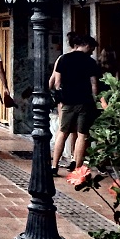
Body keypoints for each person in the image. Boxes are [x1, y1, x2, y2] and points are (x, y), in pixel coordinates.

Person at [48, 32, 100, 176]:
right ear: (87, 46)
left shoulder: (63, 59)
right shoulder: (90, 62)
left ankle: (54, 166)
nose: (92, 52)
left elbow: (57, 83)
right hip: (84, 101)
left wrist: (61, 98)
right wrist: (96, 100)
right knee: (82, 135)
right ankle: (78, 169)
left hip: (67, 102)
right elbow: (94, 85)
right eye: (92, 49)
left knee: (62, 133)